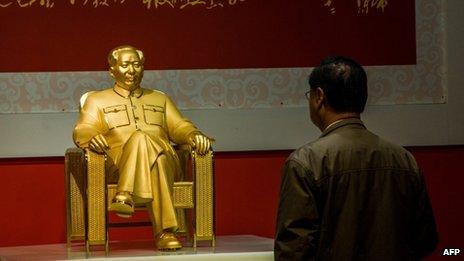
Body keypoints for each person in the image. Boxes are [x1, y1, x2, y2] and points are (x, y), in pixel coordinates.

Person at [274, 56, 438, 260]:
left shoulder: (305, 162)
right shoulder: (404, 159)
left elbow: (293, 250)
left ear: (319, 97)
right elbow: (425, 240)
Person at [73, 45, 213, 251]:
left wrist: (193, 135)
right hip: (118, 167)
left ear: (143, 68)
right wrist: (91, 137)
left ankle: (125, 195)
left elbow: (179, 126)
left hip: (168, 165)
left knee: (145, 141)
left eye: (136, 65)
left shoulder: (160, 98)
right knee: (155, 156)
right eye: (125, 65)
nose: (131, 70)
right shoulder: (97, 100)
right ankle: (165, 233)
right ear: (112, 70)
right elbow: (83, 128)